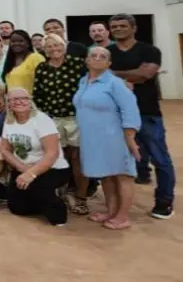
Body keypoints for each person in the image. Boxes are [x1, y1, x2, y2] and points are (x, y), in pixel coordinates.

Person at [107, 13, 175, 220]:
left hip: (146, 112)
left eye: (122, 25)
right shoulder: (108, 52)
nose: (118, 29)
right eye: (114, 26)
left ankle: (164, 201)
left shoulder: (149, 50)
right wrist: (129, 75)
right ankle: (118, 206)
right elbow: (99, 74)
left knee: (160, 158)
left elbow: (145, 74)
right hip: (115, 114)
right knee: (119, 161)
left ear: (133, 28)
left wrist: (112, 74)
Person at [74, 46, 142, 230]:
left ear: (109, 63)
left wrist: (130, 136)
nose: (97, 58)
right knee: (106, 175)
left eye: (102, 56)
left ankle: (123, 216)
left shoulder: (115, 83)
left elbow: (130, 108)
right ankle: (111, 211)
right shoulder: (83, 81)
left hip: (115, 136)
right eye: (93, 55)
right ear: (87, 60)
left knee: (122, 175)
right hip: (93, 138)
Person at [32, 34, 88, 215]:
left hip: (76, 118)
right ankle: (61, 193)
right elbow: (38, 94)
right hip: (53, 119)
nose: (53, 49)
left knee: (78, 158)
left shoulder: (77, 64)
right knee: (56, 157)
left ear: (64, 46)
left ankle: (81, 197)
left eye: (56, 45)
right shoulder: (42, 68)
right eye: (48, 46)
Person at [1, 88, 71, 227]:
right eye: (13, 99)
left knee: (41, 191)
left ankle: (58, 209)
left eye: (23, 98)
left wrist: (31, 174)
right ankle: (39, 198)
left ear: (30, 101)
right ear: (8, 104)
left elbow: (52, 153)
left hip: (51, 167)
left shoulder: (41, 120)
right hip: (24, 166)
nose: (19, 102)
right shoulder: (9, 121)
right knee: (17, 208)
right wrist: (23, 168)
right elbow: (5, 150)